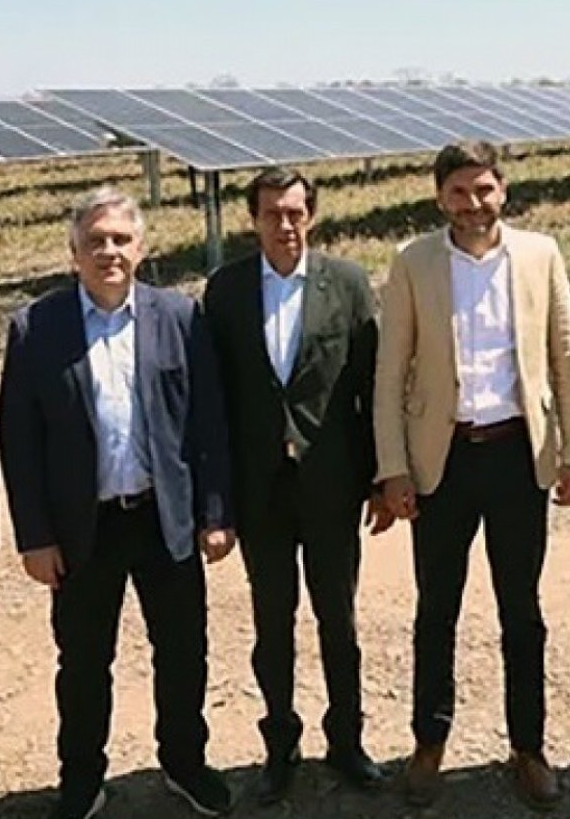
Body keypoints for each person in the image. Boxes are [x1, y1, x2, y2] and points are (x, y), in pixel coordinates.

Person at [0, 187, 235, 819]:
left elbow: (208, 423)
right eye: (95, 240)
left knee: (182, 652)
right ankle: (81, 778)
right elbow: (19, 442)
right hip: (83, 528)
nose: (109, 251)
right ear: (74, 252)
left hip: (164, 519)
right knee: (82, 662)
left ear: (141, 248)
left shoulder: (178, 317)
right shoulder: (36, 328)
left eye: (121, 240)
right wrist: (35, 537)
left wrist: (215, 513)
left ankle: (184, 762)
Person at [373, 140, 570, 810]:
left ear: (503, 190)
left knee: (521, 610)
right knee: (436, 608)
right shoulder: (413, 262)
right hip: (442, 459)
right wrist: (392, 468)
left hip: (517, 455)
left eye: (484, 190)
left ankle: (528, 747)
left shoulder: (539, 255)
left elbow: (565, 355)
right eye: (459, 192)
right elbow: (389, 371)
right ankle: (428, 742)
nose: (473, 204)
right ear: (440, 197)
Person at [204, 167, 388, 804]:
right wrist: (217, 500)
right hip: (260, 489)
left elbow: (371, 386)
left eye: (294, 213)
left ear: (311, 215)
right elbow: (215, 399)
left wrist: (379, 478)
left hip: (331, 484)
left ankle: (347, 742)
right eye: (272, 214)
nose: (284, 225)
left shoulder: (348, 283)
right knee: (272, 621)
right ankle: (280, 747)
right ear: (253, 219)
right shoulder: (226, 290)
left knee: (339, 619)